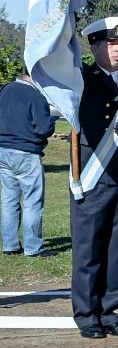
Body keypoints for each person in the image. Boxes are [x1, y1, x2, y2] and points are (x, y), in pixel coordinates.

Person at [70, 17, 118, 338]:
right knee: (89, 251)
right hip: (93, 176)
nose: (117, 50)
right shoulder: (80, 80)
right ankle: (87, 315)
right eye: (111, 44)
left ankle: (109, 311)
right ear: (95, 46)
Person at [0, 66, 58, 257]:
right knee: (33, 200)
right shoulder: (35, 96)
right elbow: (43, 128)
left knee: (9, 199)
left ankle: (10, 245)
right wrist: (52, 120)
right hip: (25, 151)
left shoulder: (6, 89)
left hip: (3, 149)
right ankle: (33, 247)